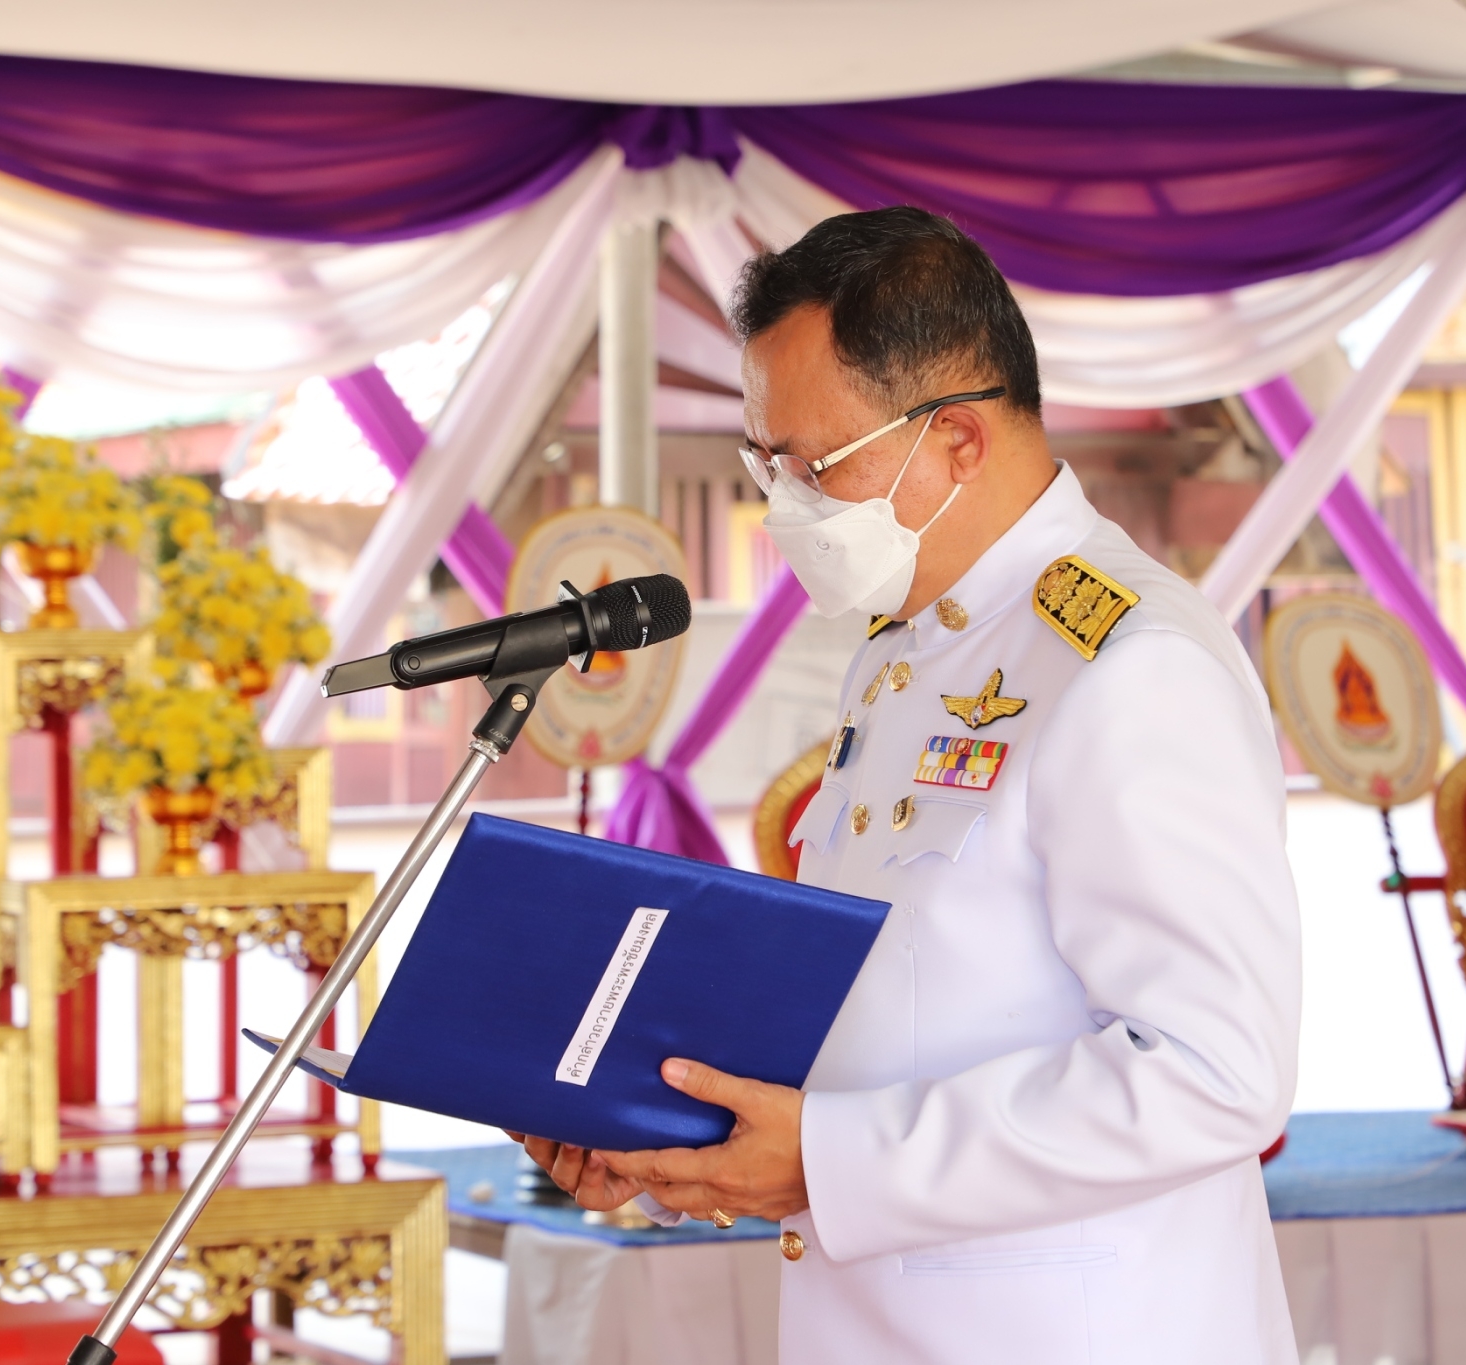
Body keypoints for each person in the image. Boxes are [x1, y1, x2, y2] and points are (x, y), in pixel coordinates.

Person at [519, 207, 1302, 1363]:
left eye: (814, 466)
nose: (784, 503)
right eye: (766, 462)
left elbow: (1215, 1072)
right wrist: (662, 1128)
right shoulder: (908, 647)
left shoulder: (1128, 662)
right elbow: (896, 1008)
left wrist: (827, 1161)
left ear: (958, 440)